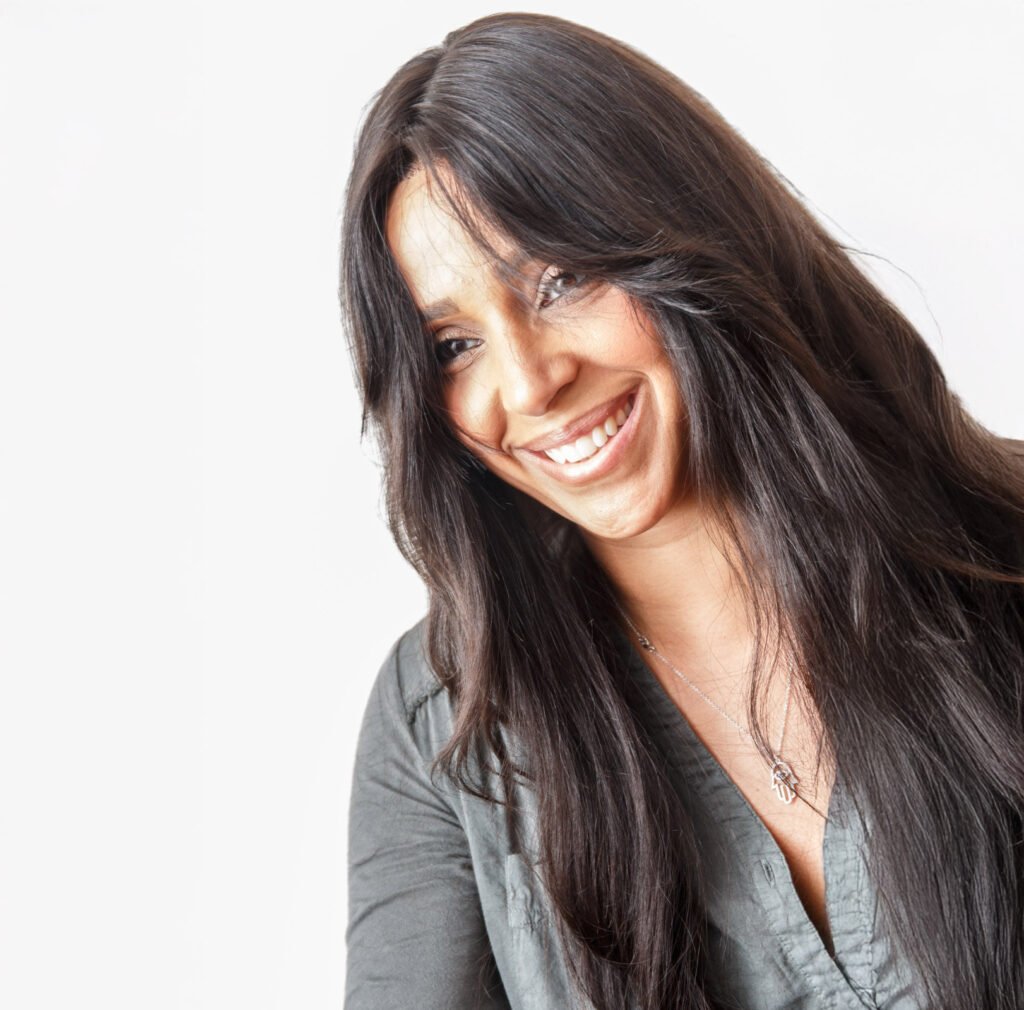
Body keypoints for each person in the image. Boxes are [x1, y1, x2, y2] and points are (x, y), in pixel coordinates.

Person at [338, 12, 1024, 1010]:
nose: (529, 382)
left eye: (560, 280)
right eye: (452, 344)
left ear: (684, 240)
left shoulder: (1001, 549)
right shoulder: (442, 721)